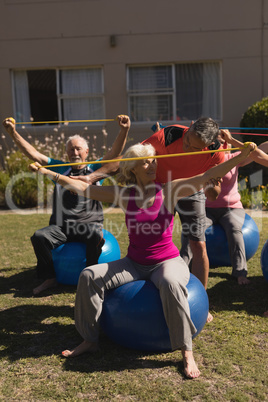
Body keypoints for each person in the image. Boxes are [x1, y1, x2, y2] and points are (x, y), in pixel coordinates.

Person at [29, 139, 255, 378]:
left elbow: (206, 176)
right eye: (145, 163)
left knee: (171, 282)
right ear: (132, 168)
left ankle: (186, 350)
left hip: (167, 261)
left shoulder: (169, 190)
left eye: (153, 161)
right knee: (88, 275)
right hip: (134, 263)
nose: (151, 166)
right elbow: (84, 188)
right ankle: (89, 339)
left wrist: (241, 158)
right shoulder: (125, 195)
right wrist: (49, 173)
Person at [2, 115, 130, 295]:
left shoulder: (96, 169)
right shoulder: (60, 168)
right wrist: (13, 133)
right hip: (62, 227)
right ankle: (50, 278)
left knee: (94, 234)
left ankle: (91, 276)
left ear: (87, 151)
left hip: (88, 226)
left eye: (78, 149)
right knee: (39, 237)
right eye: (70, 150)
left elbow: (114, 154)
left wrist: (124, 130)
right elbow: (34, 154)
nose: (74, 153)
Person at [143, 118, 225, 322]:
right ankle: (149, 291)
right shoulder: (165, 136)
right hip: (162, 188)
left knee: (198, 246)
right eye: (188, 140)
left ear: (206, 146)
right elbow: (137, 157)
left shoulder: (216, 152)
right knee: (154, 242)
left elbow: (213, 195)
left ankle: (202, 302)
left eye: (194, 147)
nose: (187, 146)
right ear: (189, 128)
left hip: (192, 192)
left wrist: (212, 185)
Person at [181, 131, 268, 285]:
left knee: (235, 230)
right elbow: (184, 150)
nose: (219, 144)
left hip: (232, 208)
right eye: (216, 141)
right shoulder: (205, 160)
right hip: (207, 209)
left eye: (222, 141)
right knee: (192, 232)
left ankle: (240, 273)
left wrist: (233, 139)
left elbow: (258, 151)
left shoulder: (235, 158)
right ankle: (182, 269)